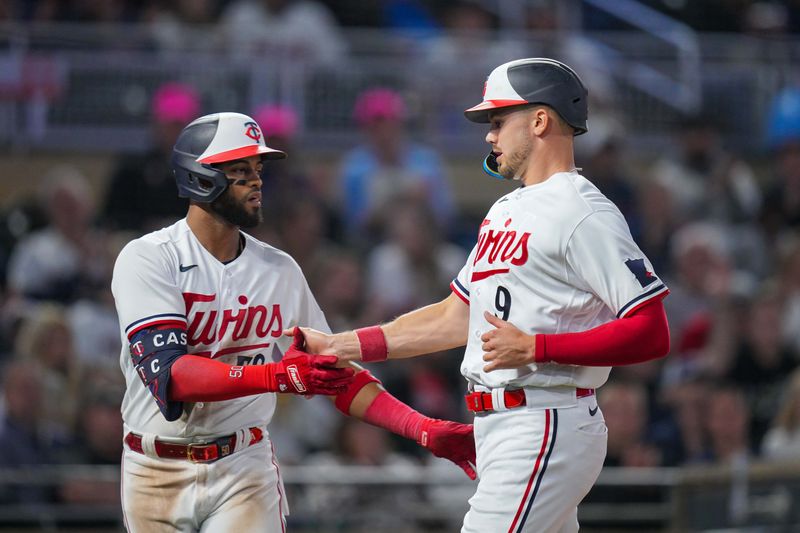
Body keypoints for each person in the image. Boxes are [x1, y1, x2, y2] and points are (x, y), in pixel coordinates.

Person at [299, 58, 671, 533]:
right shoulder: (505, 208)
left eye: (498, 121)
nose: (489, 136)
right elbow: (455, 319)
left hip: (545, 417)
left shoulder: (583, 211)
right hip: (503, 423)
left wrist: (538, 348)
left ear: (540, 121)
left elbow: (652, 331)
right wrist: (339, 346)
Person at [111, 111, 475, 532]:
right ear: (200, 177)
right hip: (156, 467)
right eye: (240, 170)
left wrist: (422, 428)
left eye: (258, 169)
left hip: (242, 464)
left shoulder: (278, 269)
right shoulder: (150, 257)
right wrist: (276, 376)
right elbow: (172, 376)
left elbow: (333, 371)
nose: (257, 181)